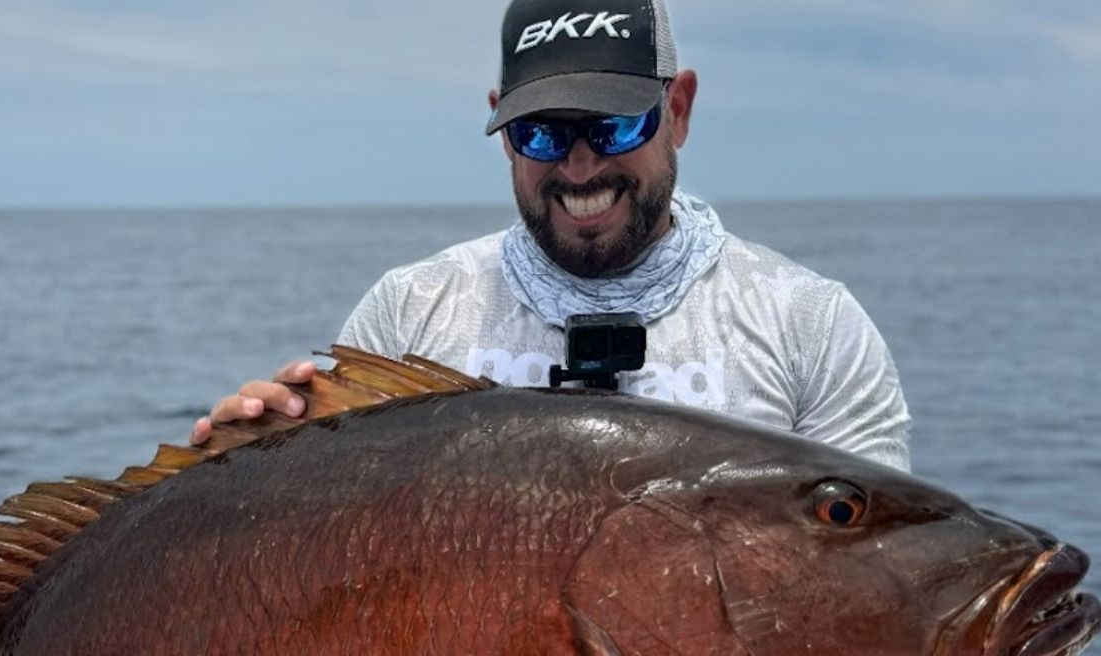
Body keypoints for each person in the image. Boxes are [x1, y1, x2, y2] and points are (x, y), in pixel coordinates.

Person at [191, 0, 911, 471]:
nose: (580, 164)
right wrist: (237, 479)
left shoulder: (811, 328)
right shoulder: (407, 313)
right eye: (541, 132)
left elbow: (876, 602)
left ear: (679, 110)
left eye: (615, 125)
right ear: (504, 130)